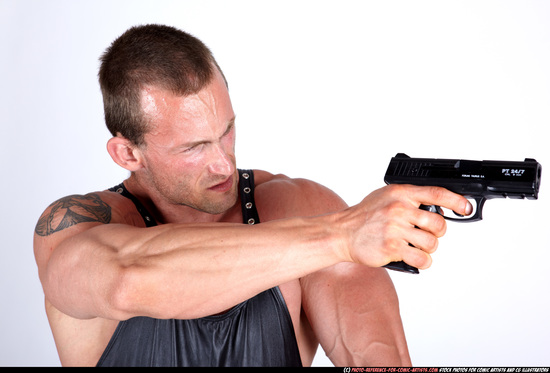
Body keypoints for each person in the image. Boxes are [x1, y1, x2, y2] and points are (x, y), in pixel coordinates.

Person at [33, 24, 472, 367]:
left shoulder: (300, 207)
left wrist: (339, 231)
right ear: (127, 152)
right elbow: (128, 278)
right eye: (193, 148)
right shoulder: (74, 224)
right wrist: (340, 235)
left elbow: (379, 359)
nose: (224, 163)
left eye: (226, 132)